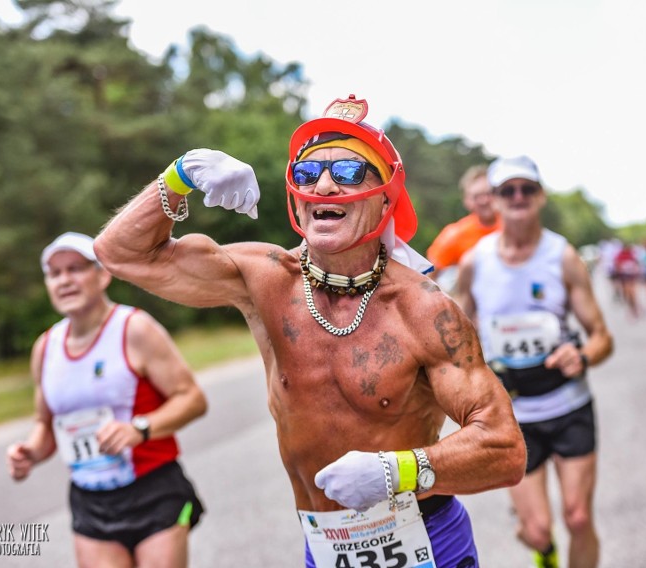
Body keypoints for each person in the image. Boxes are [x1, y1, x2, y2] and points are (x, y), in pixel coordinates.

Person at [94, 94, 526, 567]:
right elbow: (121, 254)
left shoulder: (423, 310)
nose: (323, 184)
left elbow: (503, 448)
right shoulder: (264, 277)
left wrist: (397, 470)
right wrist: (182, 174)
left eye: (347, 173)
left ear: (386, 196)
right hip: (325, 549)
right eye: (306, 173)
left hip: (425, 542)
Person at [6, 232, 207, 568]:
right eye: (55, 274)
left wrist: (139, 429)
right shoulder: (45, 348)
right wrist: (30, 452)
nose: (65, 280)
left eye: (75, 269)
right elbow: (45, 423)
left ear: (102, 274)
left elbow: (193, 399)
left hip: (153, 490)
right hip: (90, 500)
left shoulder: (134, 329)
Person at [457, 155, 614, 568]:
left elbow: (602, 337)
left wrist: (581, 355)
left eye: (527, 188)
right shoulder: (476, 263)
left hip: (569, 406)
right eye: (508, 190)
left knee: (578, 517)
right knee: (539, 531)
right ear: (492, 200)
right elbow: (454, 340)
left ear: (540, 195)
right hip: (514, 415)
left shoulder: (562, 257)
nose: (518, 197)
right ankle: (541, 547)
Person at [426, 164, 502, 292]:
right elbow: (428, 277)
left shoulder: (514, 228)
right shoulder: (455, 234)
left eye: (488, 194)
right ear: (467, 200)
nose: (484, 201)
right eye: (477, 196)